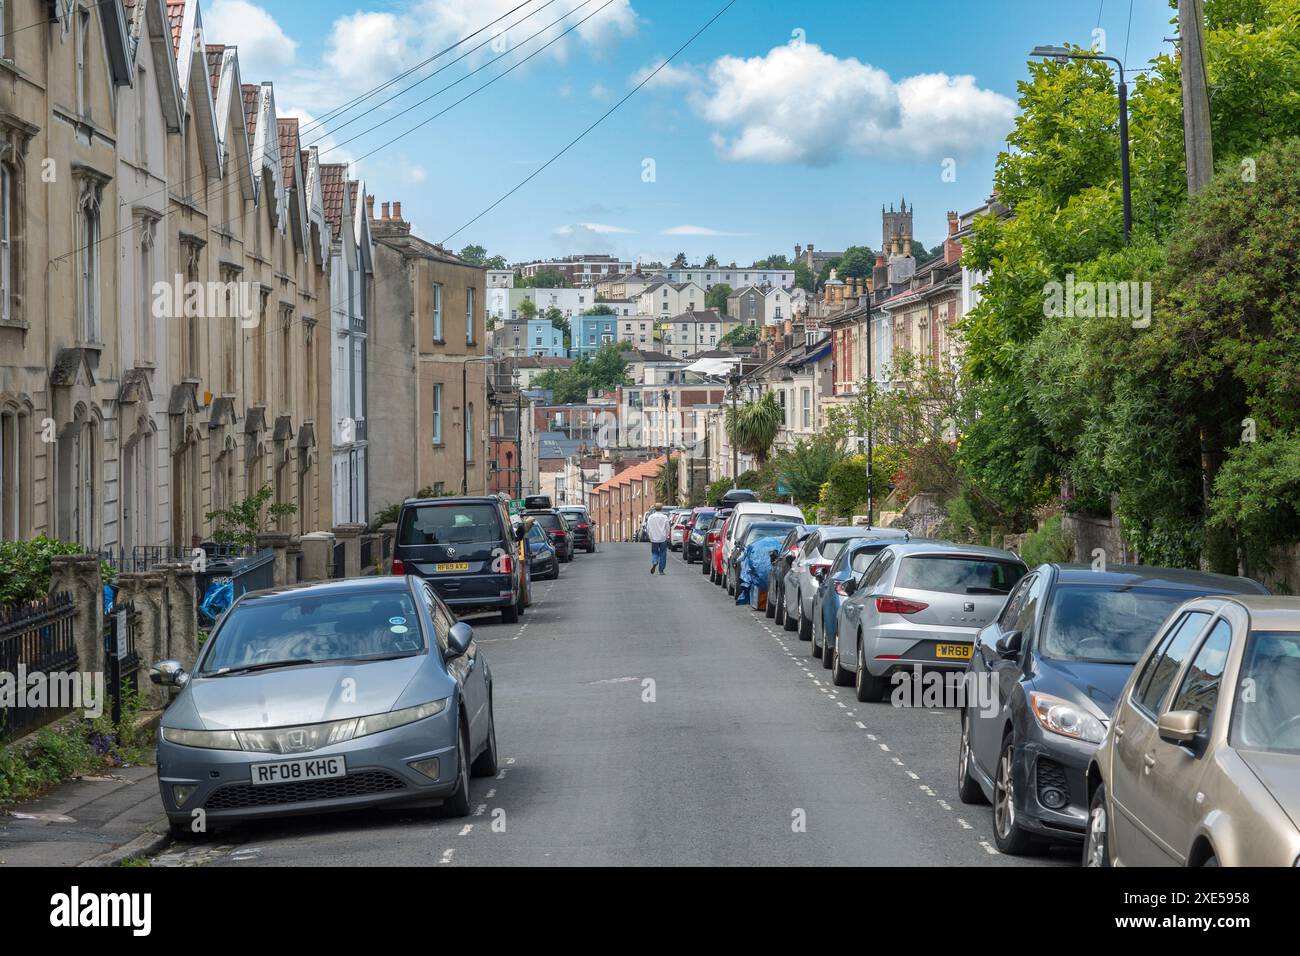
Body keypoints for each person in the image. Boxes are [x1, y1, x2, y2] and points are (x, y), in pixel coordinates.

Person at [644, 504, 671, 575]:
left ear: (655, 509)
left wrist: (650, 536)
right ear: (661, 509)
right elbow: (667, 527)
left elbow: (648, 528)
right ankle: (661, 570)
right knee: (663, 553)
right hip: (662, 538)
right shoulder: (664, 517)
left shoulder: (651, 517)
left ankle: (655, 561)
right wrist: (667, 536)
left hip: (654, 538)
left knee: (654, 552)